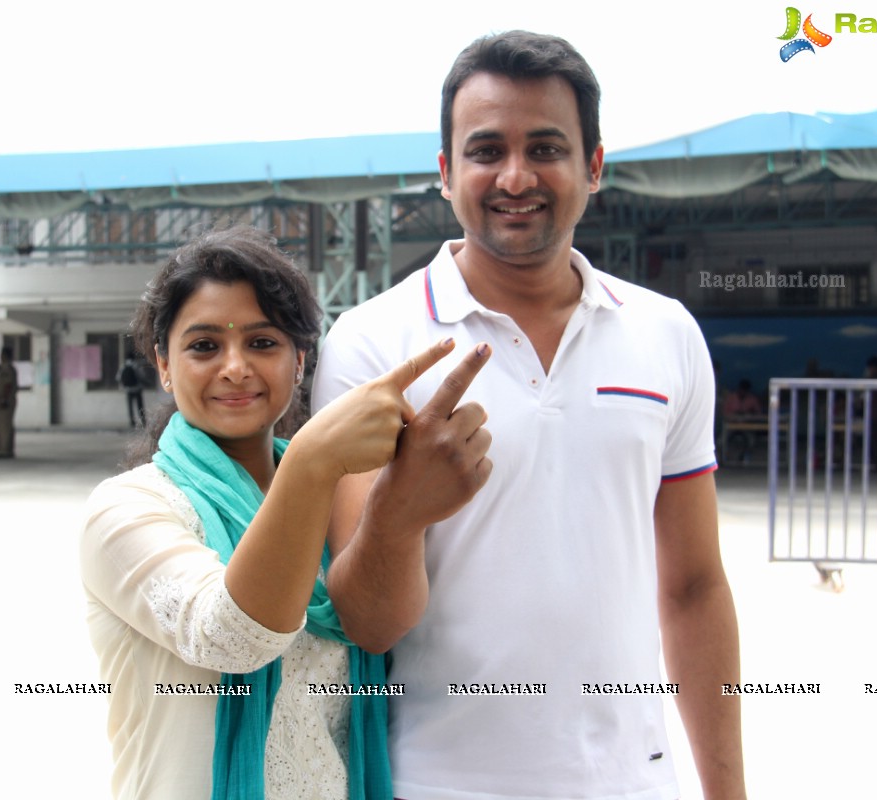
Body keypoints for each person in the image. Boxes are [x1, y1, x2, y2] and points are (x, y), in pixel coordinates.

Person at [313, 31, 745, 800]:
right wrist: (398, 512)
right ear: (445, 175)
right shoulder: (374, 344)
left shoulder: (665, 333)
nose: (516, 176)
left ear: (594, 166)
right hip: (436, 782)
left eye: (546, 147)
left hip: (630, 782)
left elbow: (695, 589)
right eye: (485, 151)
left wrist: (726, 790)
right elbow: (367, 623)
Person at [79, 225, 486, 800]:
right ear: (163, 365)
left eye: (262, 343)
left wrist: (398, 507)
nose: (236, 367)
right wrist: (313, 461)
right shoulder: (127, 510)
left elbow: (380, 630)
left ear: (300, 362)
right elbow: (230, 638)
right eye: (203, 346)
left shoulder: (336, 502)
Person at [0, 346, 17, 458]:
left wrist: (4, 399)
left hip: (5, 399)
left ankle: (4, 450)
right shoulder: (7, 368)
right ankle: (7, 449)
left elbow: (8, 385)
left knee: (4, 426)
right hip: (6, 398)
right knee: (5, 425)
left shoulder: (6, 369)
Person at [119, 353, 146, 427]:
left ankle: (132, 422)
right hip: (137, 389)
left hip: (128, 390)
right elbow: (142, 376)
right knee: (140, 406)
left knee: (130, 406)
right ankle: (143, 421)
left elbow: (118, 377)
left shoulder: (123, 366)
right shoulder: (136, 365)